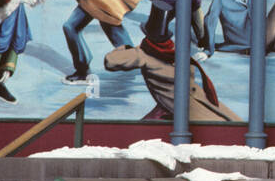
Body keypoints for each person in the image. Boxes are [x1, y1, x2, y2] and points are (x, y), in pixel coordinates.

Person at [103, 38, 240, 121]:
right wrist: (133, 49)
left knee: (234, 124)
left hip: (201, 100)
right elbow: (111, 62)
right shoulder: (143, 54)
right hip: (182, 108)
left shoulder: (171, 50)